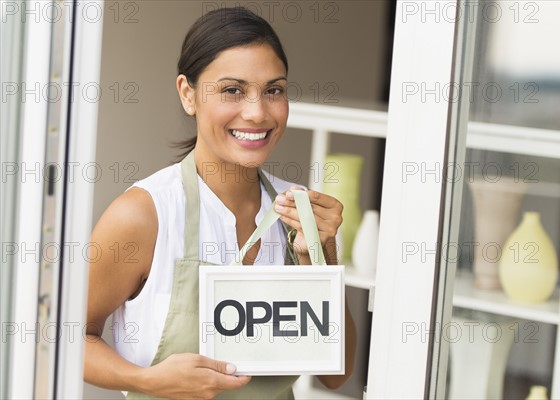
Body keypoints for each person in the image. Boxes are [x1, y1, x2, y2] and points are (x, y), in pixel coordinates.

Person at [84, 6, 356, 399]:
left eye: (273, 90)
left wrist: (322, 253)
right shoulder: (144, 215)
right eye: (232, 90)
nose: (257, 112)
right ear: (187, 94)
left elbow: (336, 375)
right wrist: (146, 381)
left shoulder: (297, 215)